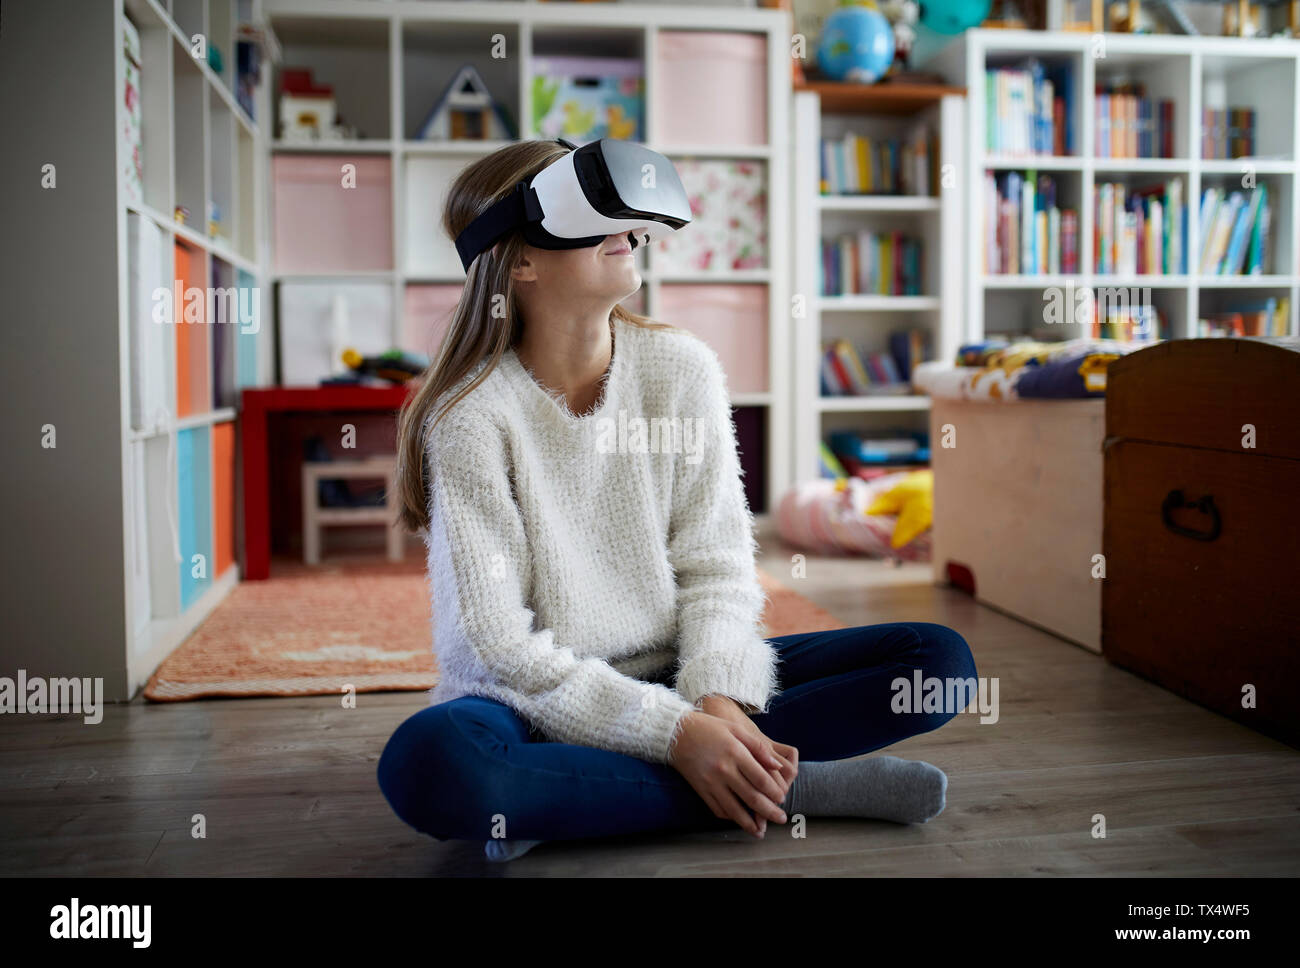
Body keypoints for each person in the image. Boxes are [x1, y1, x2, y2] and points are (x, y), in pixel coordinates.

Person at [378, 140, 977, 862]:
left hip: (680, 675)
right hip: (530, 705)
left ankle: (585, 798)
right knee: (429, 764)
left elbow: (718, 564)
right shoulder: (472, 414)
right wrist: (676, 736)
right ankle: (791, 787)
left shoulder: (680, 370)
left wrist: (718, 702)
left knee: (936, 666)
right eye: (587, 209)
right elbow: (500, 649)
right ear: (520, 261)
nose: (625, 226)